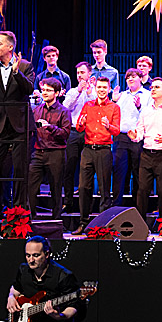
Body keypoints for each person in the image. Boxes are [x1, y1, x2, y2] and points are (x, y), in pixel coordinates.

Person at [0, 31, 36, 217]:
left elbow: (29, 89)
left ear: (10, 47)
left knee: (19, 167)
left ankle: (19, 210)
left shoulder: (25, 66)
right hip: (0, 124)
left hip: (21, 124)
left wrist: (17, 73)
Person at [6, 236, 87, 322]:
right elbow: (15, 289)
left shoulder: (63, 276)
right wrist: (11, 297)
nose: (31, 260)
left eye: (36, 256)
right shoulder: (24, 270)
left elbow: (76, 305)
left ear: (47, 254)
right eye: (28, 255)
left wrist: (59, 316)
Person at [130, 77, 162, 224]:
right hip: (147, 154)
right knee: (142, 191)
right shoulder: (146, 111)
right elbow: (140, 132)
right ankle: (140, 224)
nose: (152, 89)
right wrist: (135, 136)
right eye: (152, 87)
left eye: (156, 87)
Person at [73, 78, 121, 234]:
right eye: (99, 87)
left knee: (104, 188)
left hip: (104, 150)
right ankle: (83, 222)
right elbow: (79, 128)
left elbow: (116, 131)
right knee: (83, 187)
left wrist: (108, 125)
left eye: (104, 87)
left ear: (108, 89)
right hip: (88, 149)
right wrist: (81, 121)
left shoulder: (114, 107)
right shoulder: (88, 105)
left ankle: (103, 225)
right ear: (95, 88)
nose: (101, 89)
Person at [29, 78, 72, 219]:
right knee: (31, 187)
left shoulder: (64, 111)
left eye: (48, 90)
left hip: (56, 153)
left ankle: (56, 220)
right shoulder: (37, 110)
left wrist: (50, 127)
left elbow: (65, 134)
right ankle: (31, 218)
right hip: (38, 152)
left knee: (56, 189)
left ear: (57, 93)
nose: (45, 93)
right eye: (43, 90)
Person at [61, 62, 95, 214]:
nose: (80, 75)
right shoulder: (72, 91)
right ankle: (67, 201)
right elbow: (65, 107)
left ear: (89, 74)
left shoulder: (95, 91)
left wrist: (87, 92)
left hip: (89, 132)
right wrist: (79, 92)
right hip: (74, 132)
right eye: (78, 73)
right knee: (69, 167)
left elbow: (95, 107)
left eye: (83, 72)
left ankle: (87, 203)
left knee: (87, 169)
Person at [112, 69, 149, 207]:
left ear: (140, 78)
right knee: (119, 171)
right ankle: (116, 206)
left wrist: (139, 107)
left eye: (133, 77)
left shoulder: (148, 95)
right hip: (121, 137)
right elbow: (113, 114)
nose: (130, 79)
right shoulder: (121, 95)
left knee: (138, 172)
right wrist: (114, 101)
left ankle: (139, 207)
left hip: (138, 138)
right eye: (128, 77)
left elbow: (149, 115)